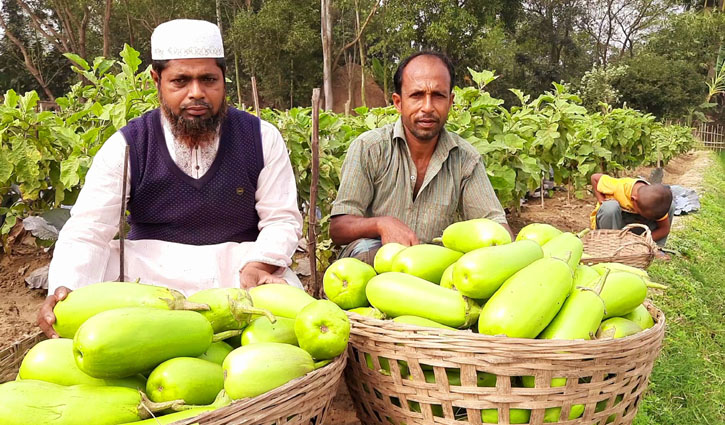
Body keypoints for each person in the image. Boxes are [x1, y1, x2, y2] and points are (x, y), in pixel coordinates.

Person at [38, 19, 303, 337]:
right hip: (150, 278)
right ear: (156, 80)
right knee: (99, 269)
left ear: (224, 80)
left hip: (240, 272)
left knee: (286, 297)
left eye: (209, 80)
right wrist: (65, 289)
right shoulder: (128, 145)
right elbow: (88, 231)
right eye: (181, 81)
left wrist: (260, 264)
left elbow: (282, 220)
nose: (197, 94)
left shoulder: (261, 137)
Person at [329, 51, 511, 264]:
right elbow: (339, 227)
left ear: (450, 101)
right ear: (398, 102)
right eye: (416, 95)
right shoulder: (369, 148)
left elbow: (496, 226)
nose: (427, 107)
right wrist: (381, 224)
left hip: (434, 272)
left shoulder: (465, 159)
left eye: (438, 96)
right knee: (366, 250)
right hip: (374, 269)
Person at [590, 173, 674, 251]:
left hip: (638, 229)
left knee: (669, 206)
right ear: (634, 200)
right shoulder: (618, 186)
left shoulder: (654, 201)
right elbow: (595, 178)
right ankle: (612, 247)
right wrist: (601, 200)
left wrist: (642, 240)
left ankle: (653, 248)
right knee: (610, 207)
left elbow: (664, 229)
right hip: (615, 225)